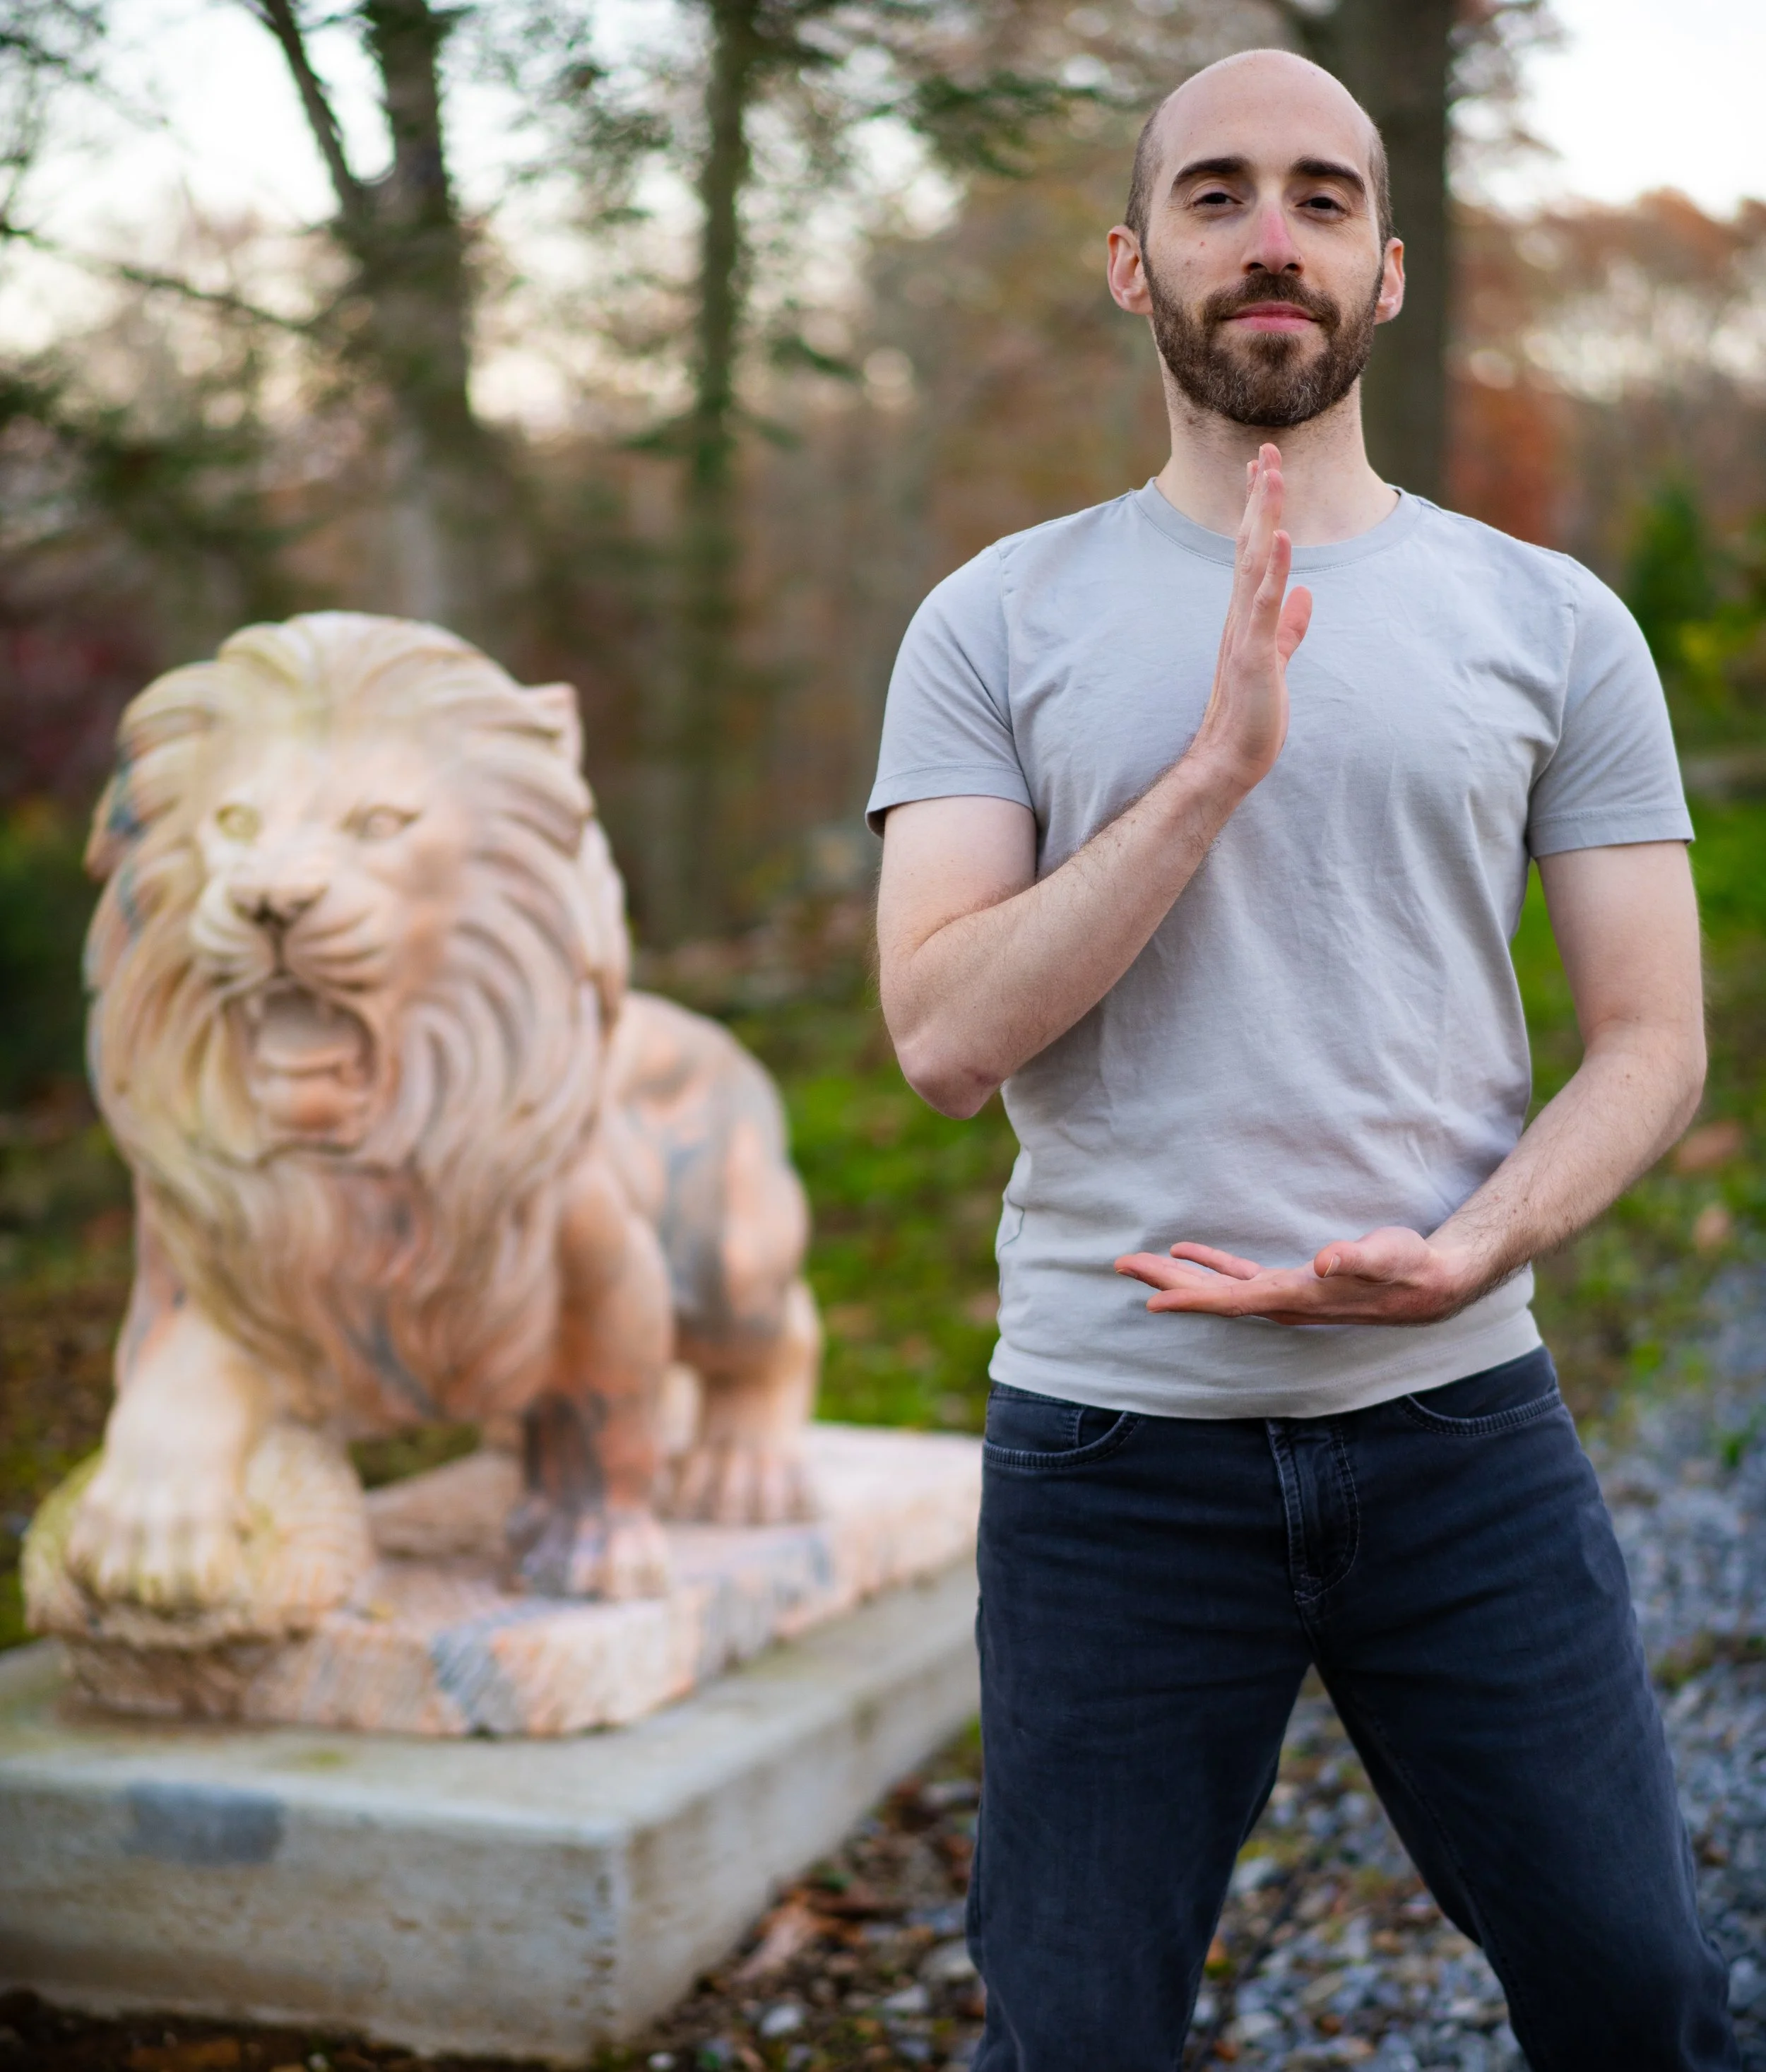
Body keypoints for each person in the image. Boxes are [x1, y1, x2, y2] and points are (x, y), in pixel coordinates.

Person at [867, 47, 1740, 2072]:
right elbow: (935, 1036)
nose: (1271, 236)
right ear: (1129, 259)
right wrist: (1208, 772)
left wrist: (1473, 1244)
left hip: (1458, 1432)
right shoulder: (992, 620)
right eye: (1216, 193)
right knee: (1072, 2044)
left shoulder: (1549, 618)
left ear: (1386, 267)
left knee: (1642, 2000)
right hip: (1108, 1451)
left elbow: (1651, 1037)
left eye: (1321, 197)